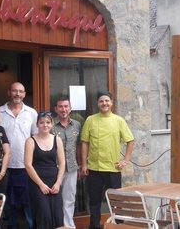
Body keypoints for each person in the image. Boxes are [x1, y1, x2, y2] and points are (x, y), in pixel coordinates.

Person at [80, 91, 135, 229]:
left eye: (106, 101)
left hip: (113, 168)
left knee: (117, 201)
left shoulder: (118, 120)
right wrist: (84, 164)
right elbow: (84, 142)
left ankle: (119, 226)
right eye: (101, 101)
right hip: (94, 169)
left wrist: (125, 160)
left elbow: (130, 140)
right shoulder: (90, 120)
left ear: (111, 102)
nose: (104, 103)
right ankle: (94, 226)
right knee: (94, 201)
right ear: (97, 103)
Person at [0, 82, 37, 229]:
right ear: (9, 92)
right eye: (15, 91)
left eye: (21, 91)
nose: (17, 94)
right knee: (8, 203)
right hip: (5, 166)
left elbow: (35, 138)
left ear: (24, 94)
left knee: (28, 203)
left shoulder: (31, 113)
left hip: (26, 166)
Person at [25, 111, 66, 228]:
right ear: (37, 124)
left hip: (54, 181)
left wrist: (58, 183)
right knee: (44, 215)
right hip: (37, 182)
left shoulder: (57, 140)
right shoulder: (30, 141)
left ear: (52, 124)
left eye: (48, 122)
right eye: (42, 122)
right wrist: (41, 185)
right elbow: (28, 165)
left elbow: (62, 162)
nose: (45, 125)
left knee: (58, 215)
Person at [52, 96, 82, 228]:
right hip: (54, 168)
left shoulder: (77, 124)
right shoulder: (50, 124)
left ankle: (68, 225)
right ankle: (57, 225)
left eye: (66, 106)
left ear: (70, 108)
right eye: (60, 106)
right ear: (56, 109)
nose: (63, 109)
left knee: (69, 199)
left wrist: (81, 165)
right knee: (55, 199)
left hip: (71, 168)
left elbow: (80, 146)